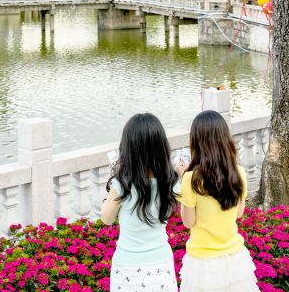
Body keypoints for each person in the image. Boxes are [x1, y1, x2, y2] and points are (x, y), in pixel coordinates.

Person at [101, 113, 185, 292]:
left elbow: (106, 219)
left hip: (127, 267)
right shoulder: (171, 182)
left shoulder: (121, 183)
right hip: (161, 264)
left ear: (128, 149)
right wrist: (181, 174)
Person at [179, 110, 258, 292]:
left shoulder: (191, 179)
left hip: (202, 262)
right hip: (234, 258)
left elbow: (188, 222)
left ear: (196, 142)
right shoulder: (239, 173)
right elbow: (238, 213)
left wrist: (183, 177)